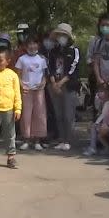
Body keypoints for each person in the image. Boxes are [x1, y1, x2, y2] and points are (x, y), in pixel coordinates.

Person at [47, 23, 81, 151]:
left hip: (68, 85)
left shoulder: (74, 51)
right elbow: (49, 67)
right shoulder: (53, 51)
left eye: (63, 35)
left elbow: (73, 69)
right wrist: (54, 83)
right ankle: (61, 139)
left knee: (68, 115)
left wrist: (60, 83)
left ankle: (68, 140)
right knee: (58, 114)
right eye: (59, 35)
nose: (61, 37)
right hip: (54, 85)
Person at [15, 39, 48, 151]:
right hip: (26, 90)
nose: (32, 46)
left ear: (37, 45)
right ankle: (26, 139)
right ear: (26, 46)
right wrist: (22, 85)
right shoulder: (22, 59)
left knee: (39, 114)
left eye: (34, 43)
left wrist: (43, 83)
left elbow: (44, 75)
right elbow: (17, 75)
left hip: (38, 90)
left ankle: (37, 140)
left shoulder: (42, 59)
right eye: (30, 44)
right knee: (26, 114)